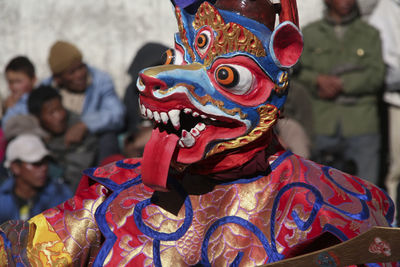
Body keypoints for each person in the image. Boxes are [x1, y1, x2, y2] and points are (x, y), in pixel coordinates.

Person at [0, 1, 396, 266]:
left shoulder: (328, 208)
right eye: (176, 60)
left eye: (225, 75)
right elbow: (33, 250)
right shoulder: (119, 193)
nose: (158, 79)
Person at [296, 0, 385, 184]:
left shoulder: (369, 34)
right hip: (322, 123)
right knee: (322, 189)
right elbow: (297, 72)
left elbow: (377, 74)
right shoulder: (311, 34)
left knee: (366, 190)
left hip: (361, 123)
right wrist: (317, 80)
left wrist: (343, 83)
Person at [41, 40, 125, 162]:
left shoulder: (100, 80)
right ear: (58, 78)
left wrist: (85, 125)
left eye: (81, 67)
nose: (79, 75)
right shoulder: (47, 88)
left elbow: (117, 114)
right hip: (61, 145)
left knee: (108, 138)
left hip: (93, 142)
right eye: (72, 72)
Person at [28, 85, 98, 192]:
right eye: (51, 113)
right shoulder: (33, 133)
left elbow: (76, 176)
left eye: (60, 109)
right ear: (38, 118)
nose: (60, 116)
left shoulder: (79, 131)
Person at [369, 0, 400, 225]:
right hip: (396, 101)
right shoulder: (385, 10)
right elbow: (382, 66)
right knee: (396, 169)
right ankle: (393, 224)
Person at [0, 134, 72, 224]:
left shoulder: (61, 194)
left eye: (45, 162)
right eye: (36, 163)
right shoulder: (2, 199)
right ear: (15, 167)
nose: (44, 168)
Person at [1, 56, 37, 127]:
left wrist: (10, 109)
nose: (14, 87)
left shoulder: (38, 100)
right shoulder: (9, 102)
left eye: (18, 81)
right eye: (10, 82)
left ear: (33, 80)